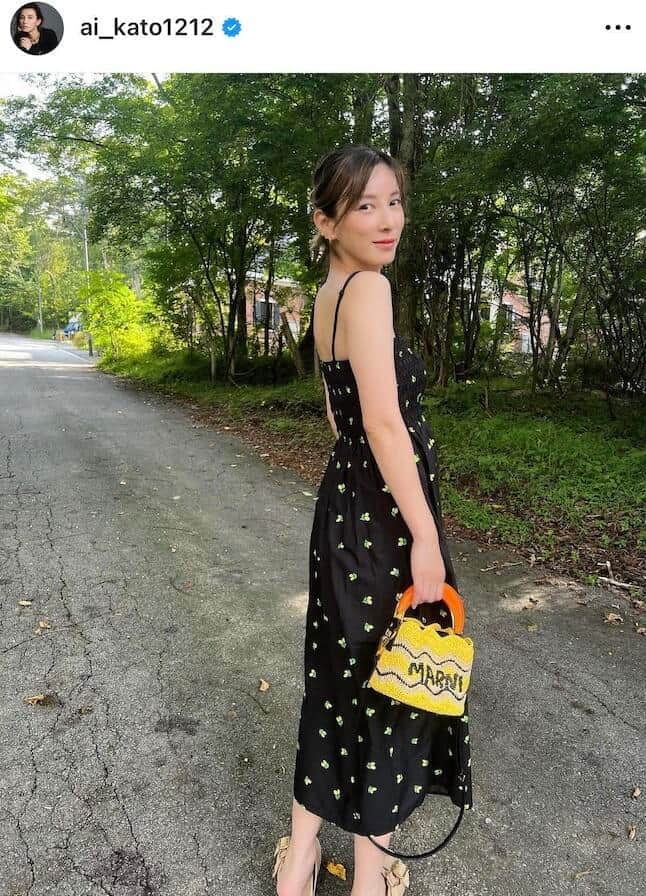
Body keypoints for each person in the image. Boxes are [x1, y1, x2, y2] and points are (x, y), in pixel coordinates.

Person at [272, 144, 473, 896]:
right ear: (326, 221)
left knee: (336, 683)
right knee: (392, 689)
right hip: (386, 520)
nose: (388, 219)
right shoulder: (370, 290)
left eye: (393, 201)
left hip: (342, 509)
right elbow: (384, 424)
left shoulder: (328, 296)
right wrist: (424, 534)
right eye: (365, 206)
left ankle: (297, 865)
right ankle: (368, 878)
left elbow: (340, 417)